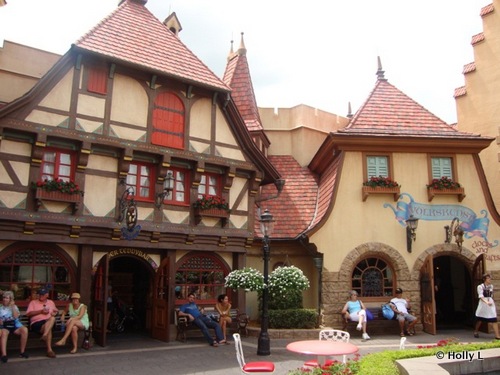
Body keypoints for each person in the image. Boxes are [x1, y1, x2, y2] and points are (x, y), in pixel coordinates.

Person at [26, 288, 58, 358]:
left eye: (42, 295)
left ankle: (45, 335)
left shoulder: (51, 302)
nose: (40, 296)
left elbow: (56, 311)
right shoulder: (33, 302)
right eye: (39, 294)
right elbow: (28, 314)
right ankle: (49, 350)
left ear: (47, 295)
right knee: (48, 328)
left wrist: (55, 313)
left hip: (49, 322)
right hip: (37, 323)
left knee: (52, 319)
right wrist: (40, 312)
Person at [0, 291, 29, 363]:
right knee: (4, 333)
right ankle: (4, 354)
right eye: (4, 297)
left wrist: (12, 306)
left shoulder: (14, 307)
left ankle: (22, 352)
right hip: (4, 326)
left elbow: (16, 317)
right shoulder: (0, 307)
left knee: (25, 330)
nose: (4, 299)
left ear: (11, 299)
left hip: (14, 325)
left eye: (7, 298)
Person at [473, 273, 500, 339]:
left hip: (490, 303)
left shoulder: (491, 286)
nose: (490, 279)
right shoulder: (480, 287)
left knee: (494, 319)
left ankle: (497, 335)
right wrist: (486, 302)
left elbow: (491, 295)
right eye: (488, 278)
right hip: (483, 304)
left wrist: (490, 301)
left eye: (490, 278)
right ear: (484, 279)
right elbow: (481, 296)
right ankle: (476, 331)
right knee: (479, 319)